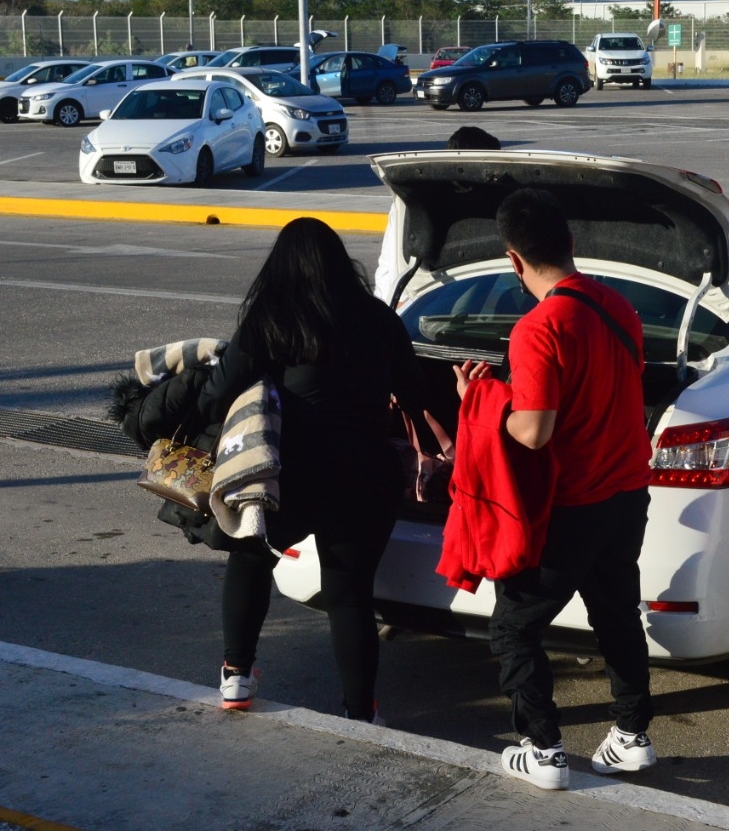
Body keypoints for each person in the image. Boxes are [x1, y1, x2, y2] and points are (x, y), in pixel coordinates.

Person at [452, 188, 655, 791]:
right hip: (628, 493)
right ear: (571, 244)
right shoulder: (621, 307)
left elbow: (535, 432)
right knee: (616, 612)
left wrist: (481, 402)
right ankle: (632, 737)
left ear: (513, 260)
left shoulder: (538, 329)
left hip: (574, 504)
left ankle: (542, 750)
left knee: (515, 625)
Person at [196, 216, 430, 720]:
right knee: (350, 596)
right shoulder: (376, 317)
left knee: (250, 557)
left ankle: (236, 675)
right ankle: (360, 711)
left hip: (289, 475)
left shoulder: (271, 318)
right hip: (365, 474)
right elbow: (415, 395)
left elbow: (217, 397)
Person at [374, 126, 502, 305]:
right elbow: (389, 266)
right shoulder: (412, 204)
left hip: (409, 304)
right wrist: (393, 304)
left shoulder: (412, 200)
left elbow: (386, 269)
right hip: (411, 302)